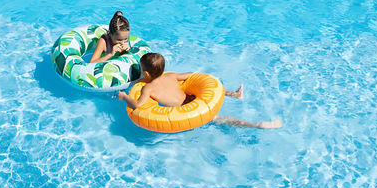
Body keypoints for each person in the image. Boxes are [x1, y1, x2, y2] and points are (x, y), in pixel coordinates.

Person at [118, 53, 283, 129]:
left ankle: (256, 125)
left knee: (225, 120)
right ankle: (234, 94)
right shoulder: (171, 76)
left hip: (189, 111)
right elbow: (189, 75)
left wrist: (124, 96)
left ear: (146, 74)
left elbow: (138, 105)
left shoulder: (148, 87)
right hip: (192, 97)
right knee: (209, 94)